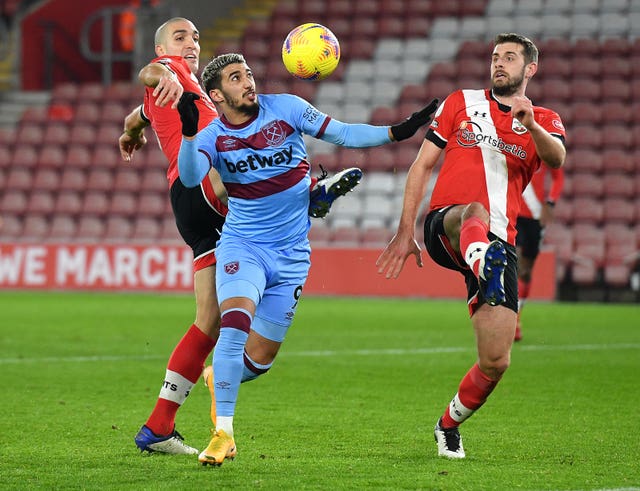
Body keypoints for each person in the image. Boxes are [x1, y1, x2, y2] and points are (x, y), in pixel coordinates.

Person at [176, 52, 439, 466]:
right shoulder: (212, 134)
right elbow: (191, 178)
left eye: (248, 72)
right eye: (235, 78)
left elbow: (345, 135)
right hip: (243, 246)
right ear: (216, 94)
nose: (248, 81)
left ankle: (217, 376)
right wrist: (190, 136)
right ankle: (222, 433)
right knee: (234, 324)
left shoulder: (286, 108)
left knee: (259, 362)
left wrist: (398, 131)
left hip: (293, 255)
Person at [118, 17, 363, 456]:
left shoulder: (189, 83)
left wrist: (132, 130)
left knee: (208, 322)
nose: (191, 43)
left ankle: (158, 428)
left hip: (191, 207)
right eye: (179, 37)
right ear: (162, 50)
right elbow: (149, 75)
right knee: (248, 157)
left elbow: (138, 111)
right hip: (202, 191)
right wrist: (161, 73)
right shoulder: (170, 74)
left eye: (195, 35)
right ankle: (311, 194)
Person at [376, 33, 566, 459]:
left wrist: (530, 122)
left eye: (510, 57)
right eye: (496, 56)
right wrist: (405, 228)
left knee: (496, 361)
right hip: (449, 224)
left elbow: (556, 160)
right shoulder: (459, 101)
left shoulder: (547, 120)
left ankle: (448, 424)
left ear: (529, 69)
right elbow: (422, 165)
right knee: (474, 210)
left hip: (502, 240)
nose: (499, 63)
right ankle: (483, 261)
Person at [515, 165, 564, 341]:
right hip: (512, 213)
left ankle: (517, 318)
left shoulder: (545, 149)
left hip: (535, 217)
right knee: (515, 265)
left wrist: (550, 202)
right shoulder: (512, 143)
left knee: (526, 273)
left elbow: (558, 177)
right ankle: (509, 320)